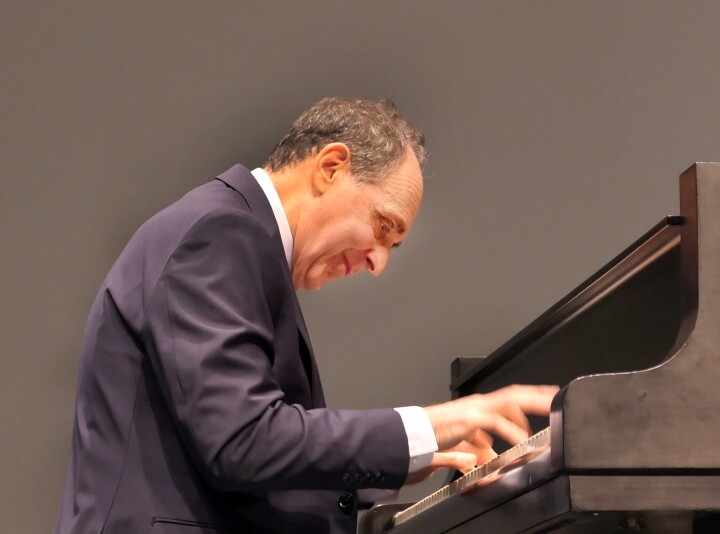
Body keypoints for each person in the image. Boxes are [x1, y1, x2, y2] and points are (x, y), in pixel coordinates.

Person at [54, 97, 558, 534]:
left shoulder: (231, 235)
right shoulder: (221, 234)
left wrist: (415, 458)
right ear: (331, 166)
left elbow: (241, 460)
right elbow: (243, 442)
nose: (378, 263)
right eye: (383, 227)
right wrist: (430, 424)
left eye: (394, 246)